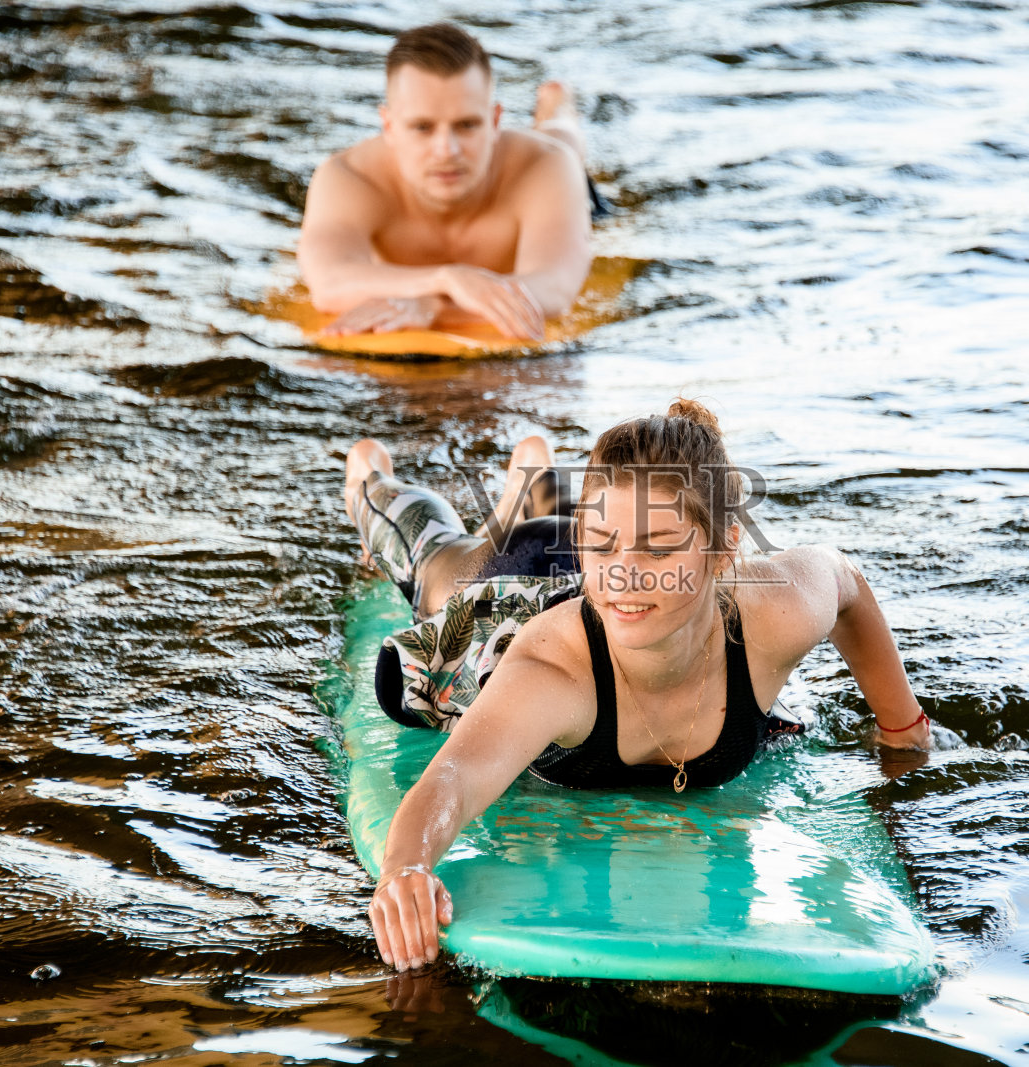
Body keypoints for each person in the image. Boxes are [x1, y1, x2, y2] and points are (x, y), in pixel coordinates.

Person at [341, 400, 934, 973]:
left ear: (724, 550)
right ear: (587, 540)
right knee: (439, 566)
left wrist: (901, 727)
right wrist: (406, 867)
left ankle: (534, 484)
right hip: (512, 586)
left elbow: (846, 585)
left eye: (658, 548)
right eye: (605, 547)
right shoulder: (554, 672)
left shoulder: (775, 611)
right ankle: (379, 479)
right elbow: (456, 778)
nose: (625, 573)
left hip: (593, 556)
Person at [299, 22, 596, 342]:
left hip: (544, 166)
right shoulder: (348, 177)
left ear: (495, 122)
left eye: (467, 125)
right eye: (423, 127)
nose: (447, 150)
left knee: (564, 145)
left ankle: (557, 109)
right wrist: (448, 279)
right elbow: (328, 285)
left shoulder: (545, 167)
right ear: (388, 125)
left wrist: (432, 307)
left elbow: (554, 289)